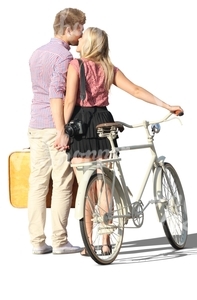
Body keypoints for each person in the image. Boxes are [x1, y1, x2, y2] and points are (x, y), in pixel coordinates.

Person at [63, 27, 184, 256]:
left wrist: (63, 131)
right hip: (103, 123)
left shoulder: (75, 66)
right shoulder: (109, 68)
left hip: (81, 125)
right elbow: (136, 90)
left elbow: (69, 102)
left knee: (86, 191)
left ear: (87, 43)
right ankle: (106, 241)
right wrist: (166, 105)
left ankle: (89, 243)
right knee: (105, 186)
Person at [28, 8, 86, 254]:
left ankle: (37, 242)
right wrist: (62, 130)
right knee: (62, 182)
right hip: (55, 125)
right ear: (68, 29)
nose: (82, 34)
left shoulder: (37, 53)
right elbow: (56, 94)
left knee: (38, 184)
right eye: (80, 28)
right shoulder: (64, 58)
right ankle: (60, 241)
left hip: (35, 124)